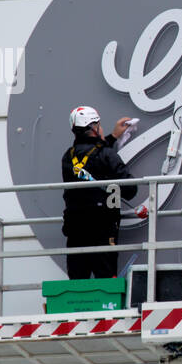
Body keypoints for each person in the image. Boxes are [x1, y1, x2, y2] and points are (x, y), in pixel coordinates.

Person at [61, 106, 138, 279]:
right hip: (103, 227)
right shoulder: (107, 155)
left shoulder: (68, 157)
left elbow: (91, 156)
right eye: (99, 124)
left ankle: (78, 306)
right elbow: (130, 189)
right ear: (94, 128)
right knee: (105, 279)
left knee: (78, 279)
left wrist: (113, 137)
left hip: (75, 228)